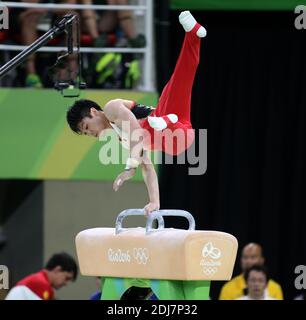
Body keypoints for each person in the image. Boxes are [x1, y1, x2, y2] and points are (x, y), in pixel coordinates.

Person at [66, 11, 207, 214]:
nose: (90, 133)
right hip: (179, 139)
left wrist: (130, 166)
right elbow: (148, 167)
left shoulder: (112, 108)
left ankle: (193, 34)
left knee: (181, 78)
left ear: (93, 111)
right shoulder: (121, 137)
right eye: (86, 134)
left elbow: (137, 132)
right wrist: (154, 202)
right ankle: (167, 121)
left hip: (172, 124)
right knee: (169, 106)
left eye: (86, 127)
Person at [219, 243, 283, 300]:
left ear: (262, 260)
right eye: (245, 257)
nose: (248, 261)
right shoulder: (228, 288)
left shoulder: (275, 288)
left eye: (253, 257)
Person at [5, 252, 78, 300]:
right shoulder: (41, 283)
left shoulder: (38, 280)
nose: (66, 283)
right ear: (57, 269)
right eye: (67, 278)